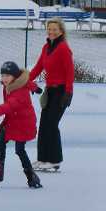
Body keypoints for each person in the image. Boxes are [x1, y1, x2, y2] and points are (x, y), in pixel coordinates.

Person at [0, 61, 43, 189]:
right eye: (2, 75)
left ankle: (31, 176)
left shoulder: (19, 92)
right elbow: (27, 82)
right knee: (0, 141)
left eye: (7, 76)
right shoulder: (14, 84)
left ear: (15, 76)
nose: (4, 78)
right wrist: (35, 87)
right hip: (13, 120)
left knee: (20, 150)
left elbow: (8, 106)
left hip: (24, 123)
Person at [29, 18, 74, 172]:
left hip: (61, 92)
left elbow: (70, 72)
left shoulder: (63, 48)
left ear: (61, 31)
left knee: (52, 125)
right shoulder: (46, 47)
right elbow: (38, 67)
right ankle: (42, 158)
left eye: (55, 29)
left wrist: (68, 92)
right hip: (50, 91)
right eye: (49, 29)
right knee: (43, 125)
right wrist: (24, 81)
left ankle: (54, 160)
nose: (51, 32)